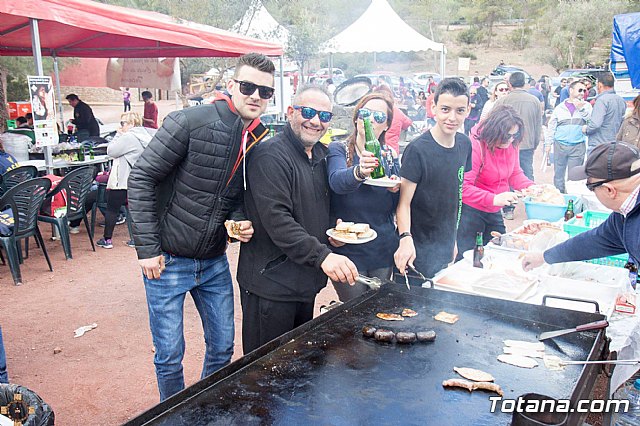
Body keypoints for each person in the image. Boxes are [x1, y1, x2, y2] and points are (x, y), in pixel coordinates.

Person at [127, 53, 276, 401]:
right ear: (231, 86)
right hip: (167, 261)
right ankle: (174, 416)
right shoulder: (190, 121)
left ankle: (205, 409)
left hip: (213, 260)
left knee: (223, 348)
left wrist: (237, 219)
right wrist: (147, 250)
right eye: (248, 87)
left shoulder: (252, 135)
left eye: (264, 91)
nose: (255, 96)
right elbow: (141, 178)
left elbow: (232, 190)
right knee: (169, 358)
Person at [237, 85, 358, 354]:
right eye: (308, 112)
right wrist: (324, 257)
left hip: (305, 281)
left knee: (295, 364)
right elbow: (278, 221)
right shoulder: (269, 155)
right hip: (271, 284)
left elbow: (321, 207)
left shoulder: (322, 156)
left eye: (324, 116)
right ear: (291, 112)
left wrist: (334, 231)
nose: (315, 121)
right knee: (265, 369)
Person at [394, 77, 472, 279]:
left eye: (459, 111)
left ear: (468, 111)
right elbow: (403, 204)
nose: (452, 117)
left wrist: (453, 240)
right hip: (416, 248)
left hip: (445, 246)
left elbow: (455, 196)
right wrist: (405, 238)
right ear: (434, 108)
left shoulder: (464, 145)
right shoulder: (417, 149)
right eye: (445, 109)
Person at [327, 91, 400, 301]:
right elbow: (337, 182)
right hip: (349, 250)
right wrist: (360, 171)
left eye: (378, 117)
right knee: (353, 311)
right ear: (357, 117)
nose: (369, 120)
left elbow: (395, 206)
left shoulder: (389, 156)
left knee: (378, 310)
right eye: (365, 113)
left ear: (386, 125)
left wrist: (395, 188)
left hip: (383, 249)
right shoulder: (339, 150)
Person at [523, 141, 640, 272]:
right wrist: (545, 257)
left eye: (591, 187)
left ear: (609, 190)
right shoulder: (623, 213)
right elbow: (595, 240)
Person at [455, 105, 533, 260]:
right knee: (470, 257)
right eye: (505, 136)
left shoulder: (512, 143)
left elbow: (515, 173)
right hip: (471, 210)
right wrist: (494, 198)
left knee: (500, 251)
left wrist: (532, 188)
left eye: (514, 135)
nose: (510, 140)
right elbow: (463, 188)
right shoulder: (476, 145)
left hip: (494, 209)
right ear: (493, 132)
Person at [96, 112, 151, 249]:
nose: (121, 126)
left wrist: (118, 134)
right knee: (134, 211)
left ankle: (107, 239)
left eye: (123, 123)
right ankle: (136, 239)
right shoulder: (143, 136)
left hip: (122, 180)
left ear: (132, 123)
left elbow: (111, 151)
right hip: (137, 179)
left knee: (112, 209)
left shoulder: (128, 137)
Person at [546, 80, 592, 193]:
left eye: (584, 90)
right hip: (560, 145)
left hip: (578, 145)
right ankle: (560, 197)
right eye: (579, 90)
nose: (582, 92)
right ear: (571, 90)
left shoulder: (587, 106)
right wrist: (548, 144)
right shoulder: (560, 108)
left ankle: (571, 199)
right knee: (558, 174)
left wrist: (581, 108)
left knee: (574, 176)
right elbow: (551, 126)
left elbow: (591, 122)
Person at [495, 72, 542, 181]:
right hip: (527, 145)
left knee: (507, 175)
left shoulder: (502, 101)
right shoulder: (535, 101)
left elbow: (493, 124)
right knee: (527, 177)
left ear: (509, 84)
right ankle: (529, 197)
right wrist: (534, 144)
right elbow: (538, 126)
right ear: (524, 84)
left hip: (506, 145)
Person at [582, 72, 626, 153]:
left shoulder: (602, 100)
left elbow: (595, 124)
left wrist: (586, 129)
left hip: (599, 145)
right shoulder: (621, 100)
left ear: (599, 85)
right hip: (614, 144)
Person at [375, 85, 412, 155]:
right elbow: (408, 122)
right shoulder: (396, 111)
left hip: (376, 149)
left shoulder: (375, 111)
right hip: (392, 150)